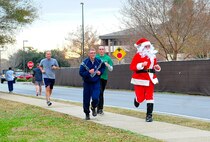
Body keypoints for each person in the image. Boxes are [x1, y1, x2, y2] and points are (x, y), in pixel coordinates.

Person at [130, 38, 161, 122]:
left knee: (149, 97)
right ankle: (137, 99)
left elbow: (154, 65)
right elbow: (132, 66)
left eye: (149, 46)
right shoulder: (138, 55)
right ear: (142, 47)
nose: (148, 47)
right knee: (141, 98)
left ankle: (149, 116)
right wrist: (141, 65)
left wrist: (157, 67)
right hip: (140, 79)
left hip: (150, 78)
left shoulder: (152, 56)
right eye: (146, 46)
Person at [79, 48, 105, 120]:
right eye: (91, 53)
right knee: (86, 99)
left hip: (96, 82)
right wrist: (88, 72)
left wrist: (100, 72)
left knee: (96, 98)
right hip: (87, 83)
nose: (93, 54)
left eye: (94, 53)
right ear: (89, 54)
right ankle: (87, 113)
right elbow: (81, 73)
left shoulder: (98, 61)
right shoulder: (85, 63)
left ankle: (93, 107)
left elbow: (103, 67)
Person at [96, 46, 113, 115]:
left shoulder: (107, 58)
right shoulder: (96, 57)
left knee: (101, 93)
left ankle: (99, 108)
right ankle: (99, 108)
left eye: (102, 49)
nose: (101, 50)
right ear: (98, 50)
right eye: (100, 49)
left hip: (104, 78)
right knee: (99, 92)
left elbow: (111, 69)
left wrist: (107, 65)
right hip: (97, 77)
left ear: (104, 50)